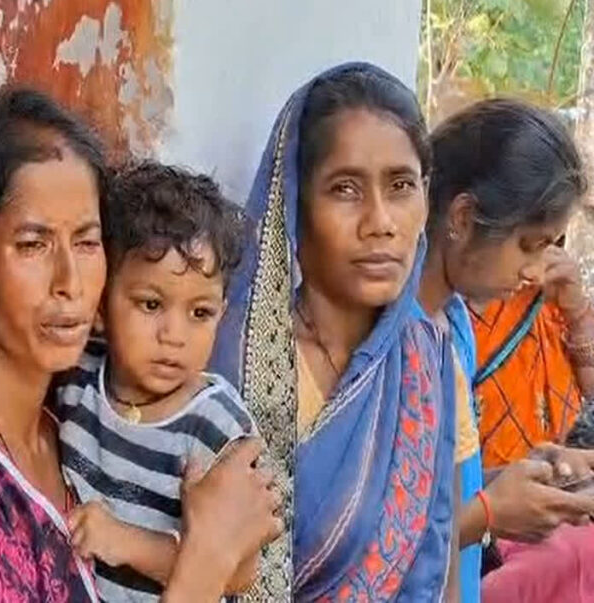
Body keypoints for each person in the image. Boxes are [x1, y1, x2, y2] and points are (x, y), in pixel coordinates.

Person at [0, 89, 280, 602]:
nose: (70, 280)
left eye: (87, 242)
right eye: (33, 245)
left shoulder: (71, 416)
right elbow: (215, 557)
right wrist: (207, 559)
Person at [212, 62, 457, 601]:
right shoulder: (232, 362)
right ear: (296, 206)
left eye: (401, 186)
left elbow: (429, 560)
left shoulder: (425, 362)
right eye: (345, 189)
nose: (381, 222)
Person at [56, 162, 279, 601]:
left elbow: (237, 572)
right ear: (100, 303)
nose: (174, 336)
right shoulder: (76, 376)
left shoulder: (216, 426)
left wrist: (125, 542)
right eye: (151, 304)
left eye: (200, 313)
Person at [418, 98, 594, 603]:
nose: (535, 273)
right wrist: (490, 514)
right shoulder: (392, 348)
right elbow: (366, 537)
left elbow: (434, 490)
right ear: (464, 216)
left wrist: (520, 479)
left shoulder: (451, 326)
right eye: (528, 245)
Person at [469, 243, 594, 467]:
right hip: (480, 493)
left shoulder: (549, 293)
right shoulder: (446, 311)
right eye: (528, 242)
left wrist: (576, 311)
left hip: (563, 481)